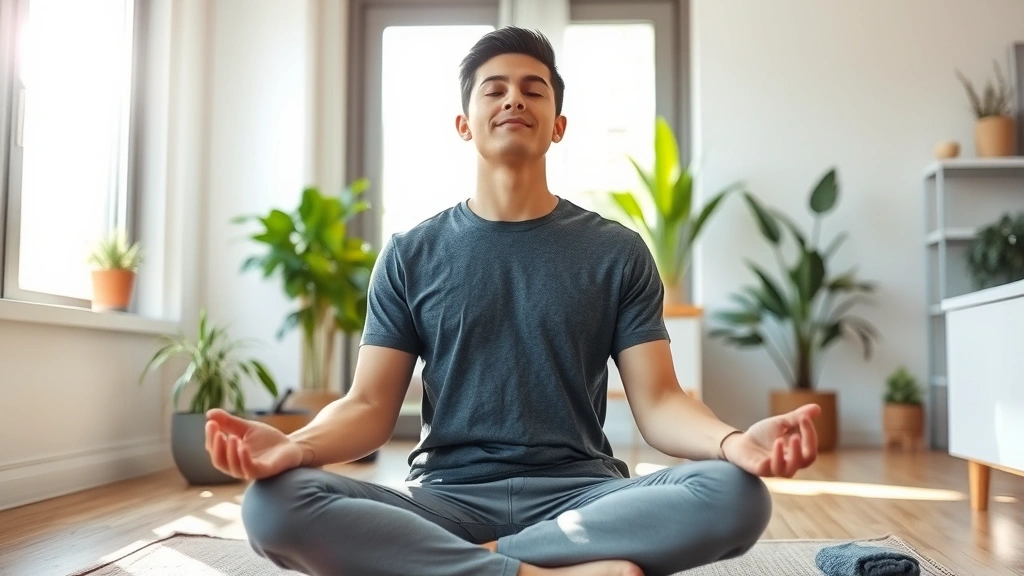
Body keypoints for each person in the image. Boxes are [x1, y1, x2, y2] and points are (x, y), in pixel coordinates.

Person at [204, 26, 820, 576]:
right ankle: (544, 571)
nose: (513, 99)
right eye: (493, 89)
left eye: (533, 89)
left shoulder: (617, 252)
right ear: (464, 122)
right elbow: (369, 404)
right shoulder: (409, 253)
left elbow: (659, 402)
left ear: (557, 125)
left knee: (735, 496)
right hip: (443, 498)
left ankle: (483, 565)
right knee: (273, 504)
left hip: (581, 494)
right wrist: (298, 447)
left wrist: (733, 442)